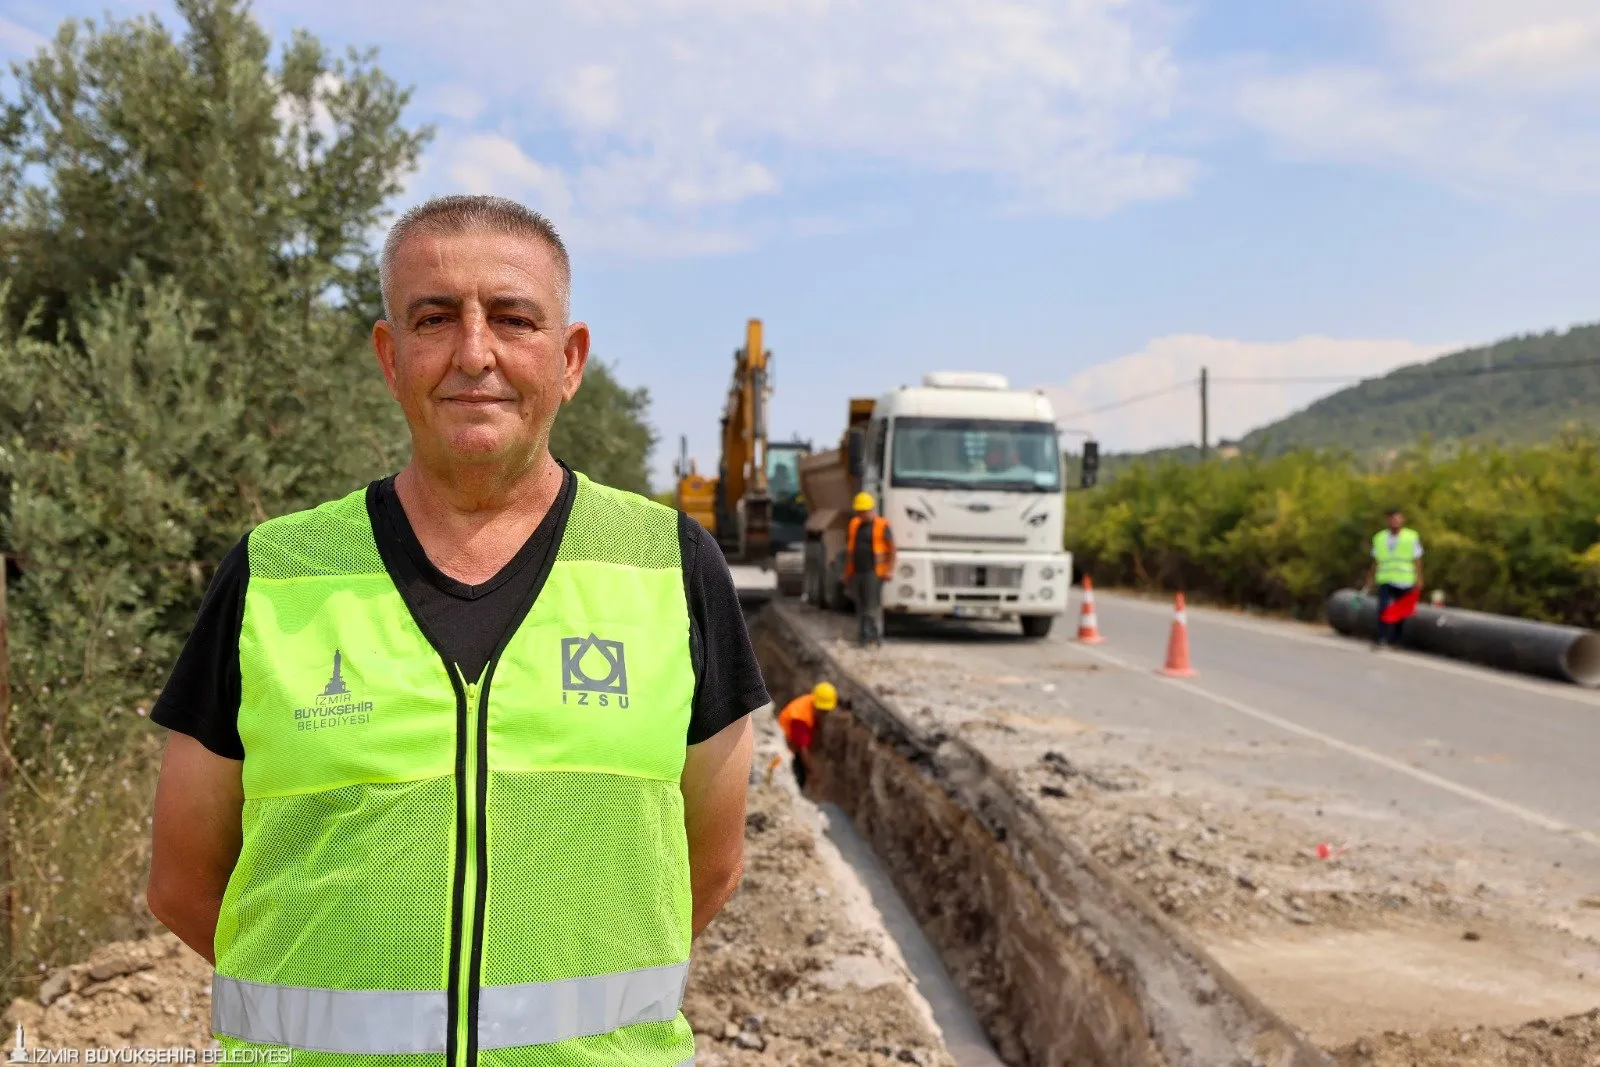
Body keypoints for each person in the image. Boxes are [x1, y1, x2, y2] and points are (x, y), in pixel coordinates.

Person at [145, 195, 768, 1067]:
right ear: (390, 357)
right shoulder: (273, 573)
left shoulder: (671, 565)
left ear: (570, 357)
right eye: (435, 319)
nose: (475, 353)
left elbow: (710, 866)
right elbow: (181, 881)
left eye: (513, 318)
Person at [1364, 507, 1424, 649]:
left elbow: (1417, 559)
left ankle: (1396, 639)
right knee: (1383, 608)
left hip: (1405, 579)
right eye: (1392, 518)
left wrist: (1419, 578)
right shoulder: (1380, 538)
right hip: (1385, 578)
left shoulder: (1411, 537)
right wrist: (1370, 578)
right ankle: (1381, 637)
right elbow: (1376, 560)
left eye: (1397, 518)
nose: (1394, 521)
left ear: (1402, 520)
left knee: (1401, 611)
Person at [844, 491, 894, 647]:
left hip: (874, 571)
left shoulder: (882, 526)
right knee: (861, 605)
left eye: (863, 511)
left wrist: (890, 570)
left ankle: (875, 636)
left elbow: (892, 550)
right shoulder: (854, 524)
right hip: (858, 570)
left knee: (872, 606)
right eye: (859, 511)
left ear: (871, 510)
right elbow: (850, 550)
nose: (860, 514)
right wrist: (846, 573)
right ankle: (863, 636)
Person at [776, 681, 836, 789]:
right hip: (783, 743)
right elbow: (802, 749)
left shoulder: (812, 701)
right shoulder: (800, 719)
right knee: (798, 775)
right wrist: (812, 772)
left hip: (793, 738)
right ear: (817, 706)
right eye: (823, 711)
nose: (825, 714)